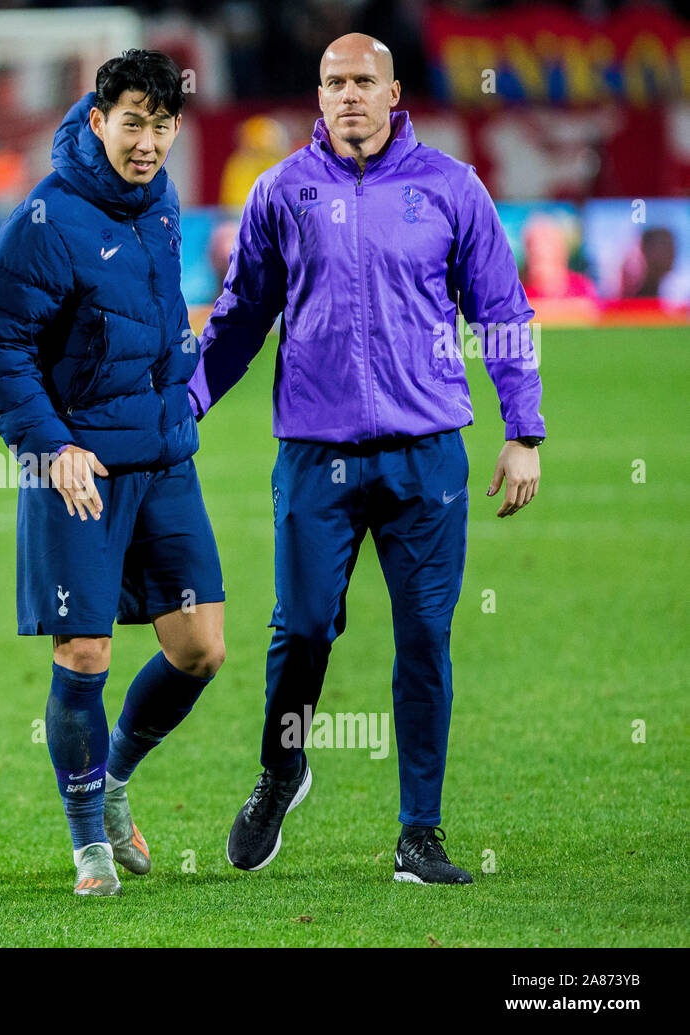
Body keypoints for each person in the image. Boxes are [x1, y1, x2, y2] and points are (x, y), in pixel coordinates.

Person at [189, 33, 545, 885]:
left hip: (426, 458)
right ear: (317, 96)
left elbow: (502, 309)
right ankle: (283, 770)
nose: (349, 95)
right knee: (301, 629)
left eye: (364, 81)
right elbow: (241, 317)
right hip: (314, 457)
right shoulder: (280, 193)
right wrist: (187, 404)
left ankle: (419, 837)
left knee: (425, 641)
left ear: (394, 94)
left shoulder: (452, 189)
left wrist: (523, 430)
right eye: (333, 82)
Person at [0, 50, 226, 897]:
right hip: (77, 467)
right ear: (96, 120)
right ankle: (88, 844)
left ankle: (113, 782)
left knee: (200, 650)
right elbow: (0, 350)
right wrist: (52, 448)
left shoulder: (162, 206)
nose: (147, 142)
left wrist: (180, 405)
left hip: (161, 461)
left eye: (161, 125)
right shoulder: (44, 222)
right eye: (131, 123)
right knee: (84, 654)